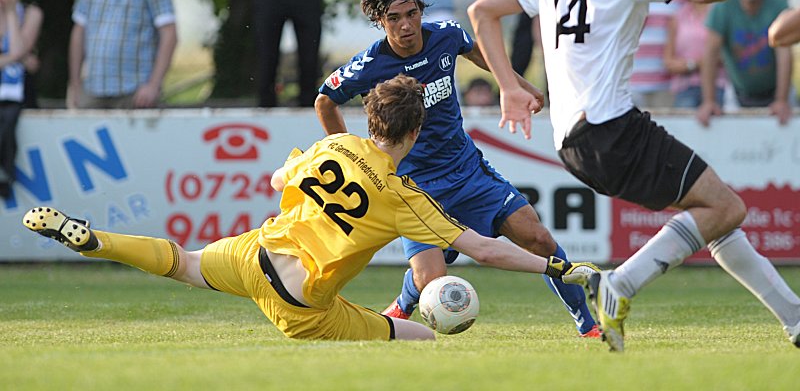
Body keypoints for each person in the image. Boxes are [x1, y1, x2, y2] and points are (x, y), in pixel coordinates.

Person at [468, 0, 800, 352]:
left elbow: (481, 11)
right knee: (727, 207)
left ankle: (793, 318)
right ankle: (618, 283)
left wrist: (508, 86)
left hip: (572, 143)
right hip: (612, 129)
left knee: (715, 214)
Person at [22, 73, 598, 341]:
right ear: (416, 132)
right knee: (421, 338)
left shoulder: (334, 144)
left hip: (253, 256)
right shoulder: (405, 198)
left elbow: (278, 175)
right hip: (303, 306)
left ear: (370, 119)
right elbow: (483, 247)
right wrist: (555, 265)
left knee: (181, 261)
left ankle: (97, 240)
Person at [315, 0, 600, 338]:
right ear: (381, 22)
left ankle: (588, 325)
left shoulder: (446, 35)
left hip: (466, 171)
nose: (405, 26)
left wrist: (516, 85)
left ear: (421, 11)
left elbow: (477, 52)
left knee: (539, 240)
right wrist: (353, 155)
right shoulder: (370, 64)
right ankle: (406, 300)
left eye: (412, 14)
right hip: (414, 186)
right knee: (433, 279)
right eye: (394, 18)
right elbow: (325, 101)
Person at [696, 0, 792, 126]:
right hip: (736, 91)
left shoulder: (779, 5)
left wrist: (781, 99)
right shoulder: (722, 7)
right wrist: (709, 101)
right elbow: (710, 55)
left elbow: (784, 54)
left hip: (776, 92)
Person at [0, 0, 42, 198]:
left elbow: (17, 50)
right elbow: (22, 57)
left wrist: (10, 14)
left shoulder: (31, 13)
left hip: (20, 95)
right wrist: (21, 59)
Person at [663, 0, 726, 108]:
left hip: (718, 85)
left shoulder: (721, 11)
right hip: (684, 87)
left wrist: (692, 65)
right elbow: (669, 61)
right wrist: (698, 64)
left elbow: (726, 54)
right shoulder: (678, 14)